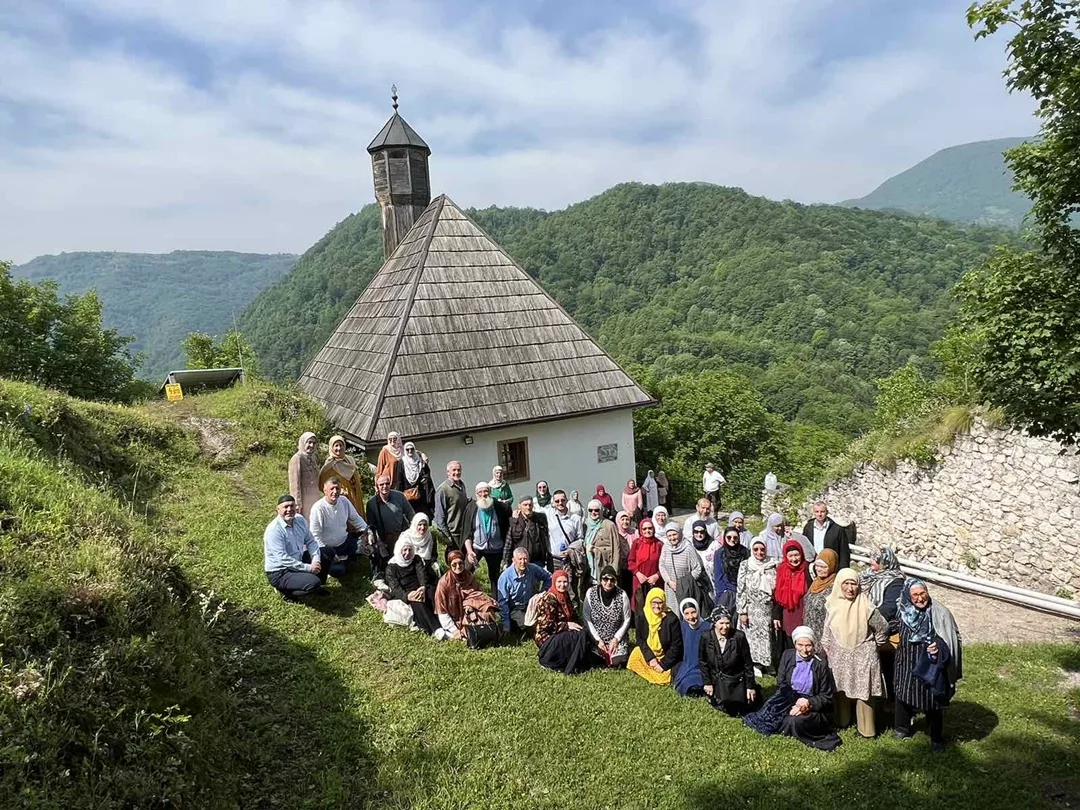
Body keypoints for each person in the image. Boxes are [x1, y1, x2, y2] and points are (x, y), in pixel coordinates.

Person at [744, 626, 841, 752]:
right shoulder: (788, 655)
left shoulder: (820, 664)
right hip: (789, 696)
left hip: (811, 702)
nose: (804, 650)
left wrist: (807, 703)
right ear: (795, 643)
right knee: (772, 712)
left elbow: (826, 696)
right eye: (800, 645)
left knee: (796, 721)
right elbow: (781, 681)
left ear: (813, 645)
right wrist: (792, 699)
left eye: (808, 645)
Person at [893, 579, 963, 751]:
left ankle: (936, 737)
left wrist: (939, 646)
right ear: (908, 597)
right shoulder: (902, 610)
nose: (920, 598)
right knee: (902, 694)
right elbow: (892, 629)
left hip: (931, 664)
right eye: (915, 595)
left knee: (933, 700)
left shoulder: (939, 612)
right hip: (906, 662)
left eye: (922, 594)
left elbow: (951, 637)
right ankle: (902, 728)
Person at [822, 567, 889, 738]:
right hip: (839, 653)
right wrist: (826, 645)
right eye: (846, 584)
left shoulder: (866, 606)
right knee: (840, 688)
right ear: (839, 585)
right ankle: (842, 721)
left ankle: (867, 730)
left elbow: (882, 628)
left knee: (863, 691)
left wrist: (875, 645)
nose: (850, 588)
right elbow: (827, 629)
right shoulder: (832, 604)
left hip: (863, 654)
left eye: (854, 584)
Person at [859, 545, 906, 699]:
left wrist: (868, 618)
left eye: (875, 559)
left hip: (886, 630)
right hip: (863, 626)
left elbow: (891, 607)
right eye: (871, 558)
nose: (871, 561)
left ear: (886, 562)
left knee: (888, 667)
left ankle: (892, 701)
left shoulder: (896, 581)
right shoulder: (867, 576)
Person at [263, 494, 327, 599]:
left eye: (292, 506)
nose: (289, 509)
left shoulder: (300, 520)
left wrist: (316, 560)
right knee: (313, 582)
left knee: (326, 552)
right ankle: (287, 593)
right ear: (278, 509)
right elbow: (283, 559)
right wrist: (309, 568)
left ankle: (316, 586)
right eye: (285, 507)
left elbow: (310, 541)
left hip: (298, 561)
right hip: (280, 572)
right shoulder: (274, 530)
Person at [700, 607, 760, 716]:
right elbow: (703, 661)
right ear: (714, 623)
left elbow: (747, 663)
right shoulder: (706, 637)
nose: (725, 627)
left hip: (735, 679)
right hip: (716, 679)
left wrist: (750, 686)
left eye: (727, 623)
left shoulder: (739, 637)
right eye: (721, 623)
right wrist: (707, 683)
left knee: (745, 707)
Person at [534, 569, 595, 675]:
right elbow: (547, 626)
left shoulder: (565, 596)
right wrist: (567, 625)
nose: (562, 585)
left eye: (565, 582)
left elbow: (574, 616)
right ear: (554, 582)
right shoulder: (549, 599)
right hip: (547, 637)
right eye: (559, 582)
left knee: (583, 633)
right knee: (576, 637)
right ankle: (556, 662)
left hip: (561, 632)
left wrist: (583, 626)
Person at [384, 537, 445, 638]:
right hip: (407, 592)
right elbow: (395, 587)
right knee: (417, 603)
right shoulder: (391, 568)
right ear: (399, 550)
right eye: (404, 550)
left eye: (409, 549)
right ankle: (436, 628)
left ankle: (443, 618)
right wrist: (407, 596)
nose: (407, 553)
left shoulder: (416, 559)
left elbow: (422, 574)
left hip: (420, 588)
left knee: (432, 592)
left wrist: (422, 587)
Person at [736, 538, 778, 675]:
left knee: (768, 637)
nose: (759, 552)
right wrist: (742, 611)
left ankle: (768, 663)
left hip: (768, 608)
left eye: (762, 549)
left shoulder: (772, 564)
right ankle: (756, 664)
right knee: (752, 638)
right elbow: (741, 589)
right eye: (756, 549)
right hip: (751, 608)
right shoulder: (745, 565)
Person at [627, 587, 684, 685]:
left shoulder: (671, 619)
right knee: (635, 654)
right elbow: (640, 639)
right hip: (651, 653)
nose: (657, 606)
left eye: (660, 602)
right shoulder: (643, 615)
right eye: (654, 602)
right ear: (649, 601)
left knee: (672, 671)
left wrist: (662, 664)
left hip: (665, 655)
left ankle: (657, 674)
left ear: (664, 602)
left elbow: (676, 646)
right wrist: (651, 658)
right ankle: (654, 672)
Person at [309, 478, 370, 567]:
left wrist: (368, 531)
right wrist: (328, 552)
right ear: (325, 490)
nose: (335, 491)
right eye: (332, 488)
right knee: (339, 570)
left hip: (345, 541)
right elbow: (314, 535)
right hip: (329, 547)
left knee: (366, 549)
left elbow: (356, 519)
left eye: (337, 488)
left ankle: (348, 556)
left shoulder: (344, 501)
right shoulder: (318, 508)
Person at [463, 482, 512, 593]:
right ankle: (466, 598)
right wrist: (469, 551)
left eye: (486, 491)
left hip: (496, 548)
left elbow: (510, 517)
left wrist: (515, 513)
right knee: (466, 571)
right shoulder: (471, 508)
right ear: (476, 495)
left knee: (495, 577)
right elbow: (467, 533)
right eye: (480, 492)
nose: (483, 494)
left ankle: (498, 603)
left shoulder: (499, 507)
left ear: (490, 492)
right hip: (477, 547)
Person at [366, 474, 415, 582]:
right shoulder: (371, 504)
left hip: (400, 535)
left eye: (387, 483)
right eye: (381, 484)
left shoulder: (400, 497)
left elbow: (411, 514)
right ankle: (378, 576)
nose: (385, 486)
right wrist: (376, 541)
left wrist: (412, 531)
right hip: (382, 539)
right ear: (376, 487)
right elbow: (370, 525)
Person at [583, 566, 632, 667]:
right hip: (595, 637)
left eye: (612, 579)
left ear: (615, 581)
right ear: (600, 580)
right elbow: (586, 617)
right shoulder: (591, 593)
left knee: (618, 662)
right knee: (593, 659)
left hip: (615, 637)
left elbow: (626, 619)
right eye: (605, 579)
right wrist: (597, 640)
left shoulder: (622, 595)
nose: (608, 582)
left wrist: (616, 639)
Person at [434, 550, 490, 640]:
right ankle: (454, 634)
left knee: (487, 612)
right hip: (453, 620)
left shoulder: (469, 576)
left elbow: (478, 595)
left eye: (460, 563)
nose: (458, 567)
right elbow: (442, 611)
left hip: (470, 613)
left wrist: (470, 604)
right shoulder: (444, 583)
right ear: (449, 565)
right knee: (470, 635)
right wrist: (454, 630)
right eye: (454, 564)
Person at [497, 547, 552, 633]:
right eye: (520, 559)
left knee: (547, 618)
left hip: (531, 604)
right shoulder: (505, 577)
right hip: (515, 608)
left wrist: (542, 592)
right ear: (513, 560)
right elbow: (503, 603)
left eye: (525, 559)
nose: (523, 562)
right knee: (527, 624)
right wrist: (506, 625)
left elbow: (549, 577)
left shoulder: (533, 569)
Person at [773, 540, 811, 647]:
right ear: (785, 556)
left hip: (803, 613)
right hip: (787, 614)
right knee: (789, 642)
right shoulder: (781, 570)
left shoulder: (808, 569)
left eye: (796, 555)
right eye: (790, 556)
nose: (794, 559)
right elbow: (777, 595)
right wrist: (776, 615)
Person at [659, 522, 705, 609]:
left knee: (686, 611)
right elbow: (661, 565)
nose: (672, 538)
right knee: (672, 612)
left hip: (686, 588)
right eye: (669, 536)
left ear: (679, 533)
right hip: (670, 587)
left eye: (674, 534)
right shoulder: (666, 547)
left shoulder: (688, 548)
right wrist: (668, 581)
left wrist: (684, 583)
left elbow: (697, 568)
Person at [319, 435, 366, 518]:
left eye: (341, 445)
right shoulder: (329, 465)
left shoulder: (350, 460)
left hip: (355, 494)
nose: (339, 448)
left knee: (358, 517)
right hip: (342, 497)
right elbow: (322, 484)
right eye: (336, 445)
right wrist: (339, 491)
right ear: (331, 447)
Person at [674, 598, 711, 697]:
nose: (691, 617)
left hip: (703, 666)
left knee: (691, 681)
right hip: (687, 664)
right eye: (686, 614)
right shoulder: (683, 626)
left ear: (698, 611)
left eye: (693, 612)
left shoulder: (707, 628)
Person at [627, 517, 663, 613]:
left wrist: (657, 576)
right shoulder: (637, 543)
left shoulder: (659, 544)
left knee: (655, 606)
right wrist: (638, 574)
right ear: (641, 530)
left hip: (655, 581)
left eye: (650, 528)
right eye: (645, 529)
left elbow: (664, 564)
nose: (647, 531)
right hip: (639, 581)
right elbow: (631, 561)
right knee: (640, 608)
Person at [802, 549, 839, 641]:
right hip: (810, 630)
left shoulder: (835, 587)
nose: (819, 569)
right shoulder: (816, 583)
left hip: (824, 634)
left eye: (823, 567)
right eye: (817, 566)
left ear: (831, 566)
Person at [434, 460, 468, 560]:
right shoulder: (443, 490)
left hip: (464, 532)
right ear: (448, 472)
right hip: (453, 534)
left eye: (459, 470)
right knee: (456, 563)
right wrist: (448, 538)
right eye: (454, 470)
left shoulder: (462, 485)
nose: (457, 472)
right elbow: (439, 517)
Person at [712, 526, 750, 614]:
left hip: (743, 592)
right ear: (724, 538)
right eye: (729, 537)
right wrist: (722, 595)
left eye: (735, 537)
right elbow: (718, 576)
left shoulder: (745, 552)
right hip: (727, 592)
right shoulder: (720, 553)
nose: (732, 540)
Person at [506, 495, 550, 570]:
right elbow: (509, 543)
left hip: (538, 561)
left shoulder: (541, 518)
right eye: (525, 505)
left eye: (530, 505)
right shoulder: (513, 521)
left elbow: (547, 536)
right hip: (520, 561)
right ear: (519, 506)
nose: (528, 507)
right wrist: (506, 562)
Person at [802, 502, 851, 569]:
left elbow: (844, 553)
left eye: (822, 511)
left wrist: (843, 571)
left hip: (830, 567)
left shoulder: (837, 530)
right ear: (813, 513)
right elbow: (804, 546)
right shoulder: (808, 528)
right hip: (812, 566)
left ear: (827, 512)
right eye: (817, 511)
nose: (819, 514)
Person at [583, 500, 622, 583]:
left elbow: (616, 548)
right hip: (588, 567)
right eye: (590, 510)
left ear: (601, 510)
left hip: (604, 565)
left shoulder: (609, 525)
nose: (593, 512)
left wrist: (614, 570)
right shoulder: (585, 525)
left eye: (596, 510)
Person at [392, 441, 433, 516]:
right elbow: (399, 480)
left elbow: (427, 473)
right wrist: (400, 495)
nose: (410, 451)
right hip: (408, 495)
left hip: (420, 495)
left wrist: (425, 478)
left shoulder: (420, 461)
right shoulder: (402, 462)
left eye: (412, 449)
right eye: (407, 450)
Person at [288, 432, 321, 521]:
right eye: (309, 442)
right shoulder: (297, 459)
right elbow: (295, 484)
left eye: (314, 443)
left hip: (314, 497)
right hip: (304, 499)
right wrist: (297, 503)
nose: (311, 445)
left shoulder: (313, 458)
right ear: (303, 443)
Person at [547, 490, 583, 571]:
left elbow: (580, 539)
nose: (560, 503)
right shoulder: (548, 517)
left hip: (570, 558)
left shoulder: (575, 518)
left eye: (562, 500)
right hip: (553, 560)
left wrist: (570, 550)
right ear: (553, 503)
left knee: (569, 583)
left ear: (566, 500)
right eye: (557, 501)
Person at [613, 511, 636, 594]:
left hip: (633, 567)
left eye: (627, 519)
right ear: (618, 521)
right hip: (620, 567)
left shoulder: (634, 533)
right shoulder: (615, 534)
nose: (625, 522)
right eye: (622, 519)